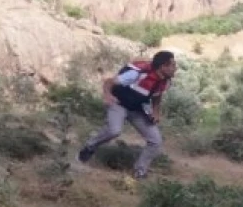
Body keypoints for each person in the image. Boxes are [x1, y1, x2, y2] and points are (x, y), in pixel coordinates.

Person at [77, 49, 179, 179]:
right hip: (118, 103)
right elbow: (109, 82)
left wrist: (156, 112)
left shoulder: (164, 81)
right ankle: (89, 147)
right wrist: (107, 95)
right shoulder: (137, 74)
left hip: (137, 109)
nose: (175, 68)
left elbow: (157, 96)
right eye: (173, 65)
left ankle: (140, 171)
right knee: (114, 131)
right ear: (163, 66)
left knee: (156, 141)